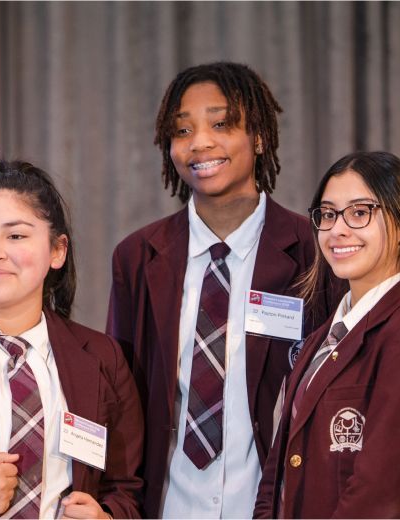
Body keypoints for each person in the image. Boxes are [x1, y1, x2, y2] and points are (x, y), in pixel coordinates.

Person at [106, 62, 339, 518]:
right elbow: (121, 398)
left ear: (259, 137)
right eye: (182, 130)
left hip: (273, 504)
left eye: (220, 124)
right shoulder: (137, 256)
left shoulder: (316, 250)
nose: (200, 143)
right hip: (166, 504)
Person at [0, 161, 143, 518]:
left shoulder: (101, 357)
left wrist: (106, 515)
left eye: (15, 235)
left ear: (58, 251)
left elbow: (125, 486)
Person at [254, 151, 400, 518]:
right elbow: (276, 471)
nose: (338, 229)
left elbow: (379, 494)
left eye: (360, 212)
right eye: (328, 214)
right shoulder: (321, 338)